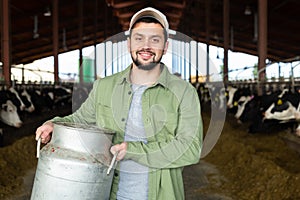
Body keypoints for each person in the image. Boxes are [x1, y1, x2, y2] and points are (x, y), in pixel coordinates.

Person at [35, 7, 203, 200]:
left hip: (161, 194)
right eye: (139, 38)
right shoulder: (104, 87)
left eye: (155, 40)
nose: (146, 46)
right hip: (109, 193)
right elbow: (81, 119)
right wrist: (54, 125)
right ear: (129, 43)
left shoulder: (184, 92)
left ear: (165, 46)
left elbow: (190, 149)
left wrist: (132, 150)